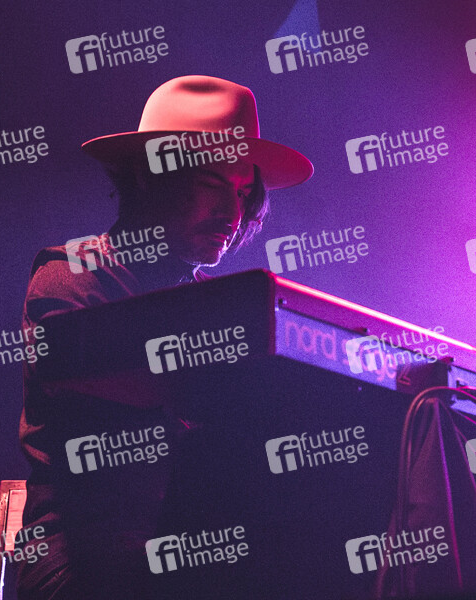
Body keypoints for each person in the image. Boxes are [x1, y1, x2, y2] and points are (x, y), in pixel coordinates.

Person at [16, 75, 312, 600]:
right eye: (212, 184)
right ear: (150, 175)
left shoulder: (215, 305)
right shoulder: (69, 277)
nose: (232, 214)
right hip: (82, 567)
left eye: (243, 193)